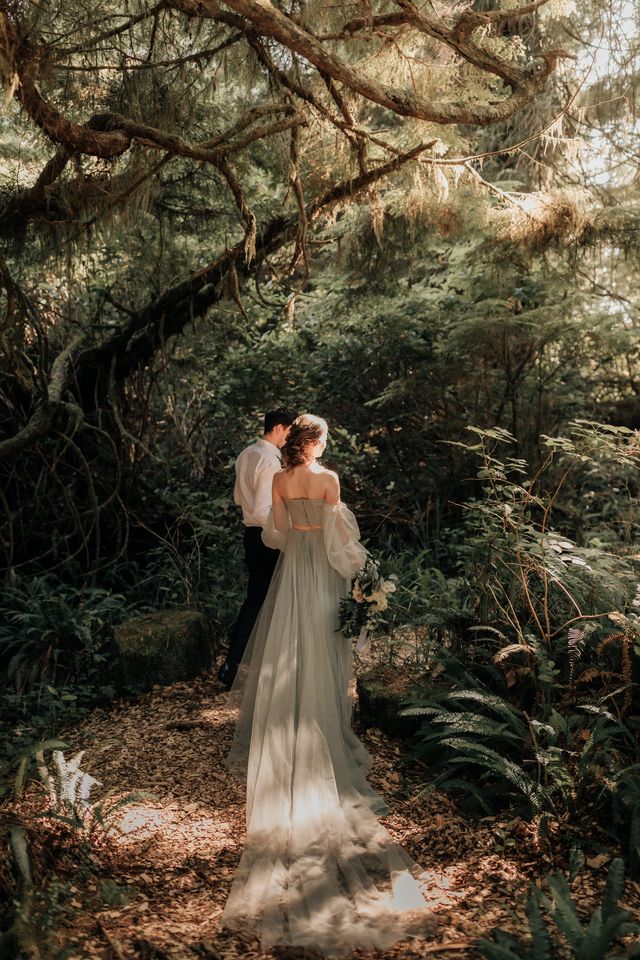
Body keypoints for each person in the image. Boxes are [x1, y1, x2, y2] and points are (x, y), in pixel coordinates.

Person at [221, 414, 430, 955]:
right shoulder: (329, 478)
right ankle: (324, 719)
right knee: (322, 641)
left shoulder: (280, 480)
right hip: (322, 571)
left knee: (289, 642)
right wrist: (364, 575)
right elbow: (342, 541)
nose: (327, 446)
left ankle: (288, 715)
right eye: (325, 439)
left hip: (293, 569)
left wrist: (301, 541)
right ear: (313, 444)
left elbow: (278, 533)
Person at [217, 408, 297, 690]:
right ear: (278, 428)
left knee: (256, 600)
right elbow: (266, 509)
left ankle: (234, 663)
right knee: (267, 599)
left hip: (250, 534)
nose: (290, 438)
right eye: (289, 431)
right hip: (268, 536)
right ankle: (241, 666)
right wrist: (286, 533)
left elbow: (240, 497)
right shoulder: (269, 461)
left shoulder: (246, 455)